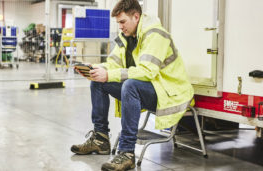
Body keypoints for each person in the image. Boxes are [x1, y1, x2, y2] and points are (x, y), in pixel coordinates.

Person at [71, 0, 194, 170]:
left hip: (169, 92)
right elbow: (113, 64)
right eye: (118, 23)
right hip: (152, 88)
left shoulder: (155, 35)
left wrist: (109, 74)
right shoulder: (126, 37)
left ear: (136, 16)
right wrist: (96, 69)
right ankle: (100, 139)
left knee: (130, 85)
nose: (120, 27)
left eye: (123, 22)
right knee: (98, 82)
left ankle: (127, 152)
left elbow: (147, 72)